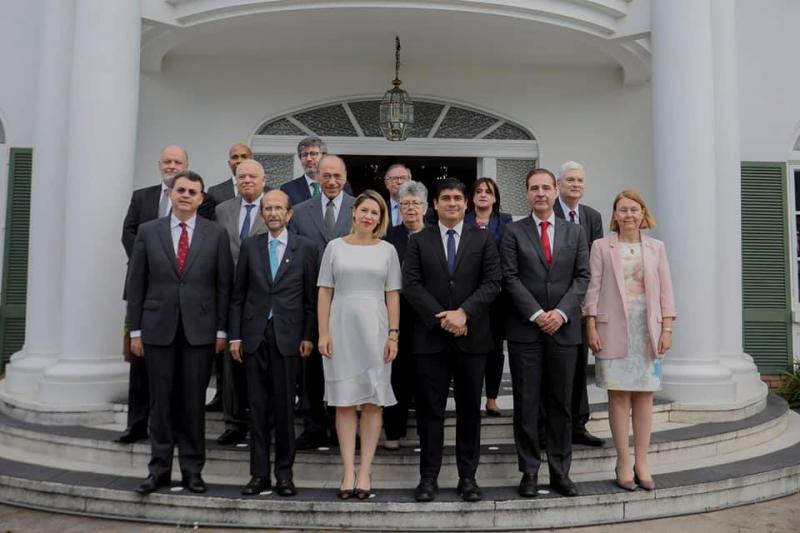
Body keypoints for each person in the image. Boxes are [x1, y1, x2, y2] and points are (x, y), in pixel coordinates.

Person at [126, 170, 233, 495]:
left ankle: (191, 471)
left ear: (201, 199)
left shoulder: (215, 234)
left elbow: (223, 286)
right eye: (181, 190)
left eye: (193, 192)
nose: (186, 195)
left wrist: (221, 329)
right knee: (160, 404)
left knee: (191, 405)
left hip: (200, 334)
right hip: (157, 331)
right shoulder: (148, 231)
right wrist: (135, 331)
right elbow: (136, 284)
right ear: (171, 194)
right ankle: (158, 470)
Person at [402, 178, 502, 503]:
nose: (452, 203)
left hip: (472, 339)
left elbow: (492, 282)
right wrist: (445, 318)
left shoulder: (484, 239)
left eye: (458, 198)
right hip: (431, 340)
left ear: (466, 203)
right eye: (446, 198)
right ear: (434, 204)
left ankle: (467, 478)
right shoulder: (419, 240)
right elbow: (412, 285)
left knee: (469, 410)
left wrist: (464, 314)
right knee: (431, 412)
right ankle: (428, 478)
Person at [501, 168, 590, 498]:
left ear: (555, 191)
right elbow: (509, 278)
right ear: (526, 194)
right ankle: (529, 471)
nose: (540, 193)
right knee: (526, 404)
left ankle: (560, 472)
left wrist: (561, 313)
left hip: (564, 331)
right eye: (534, 188)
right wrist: (538, 314)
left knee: (561, 405)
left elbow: (582, 277)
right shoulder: (513, 232)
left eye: (545, 187)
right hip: (526, 330)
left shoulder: (575, 232)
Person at [582, 189, 676, 492]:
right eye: (622, 210)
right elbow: (592, 289)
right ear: (615, 215)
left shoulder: (656, 248)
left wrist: (667, 328)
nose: (628, 215)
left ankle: (643, 462)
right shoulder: (601, 246)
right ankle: (623, 462)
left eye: (634, 209)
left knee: (645, 396)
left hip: (647, 330)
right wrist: (590, 324)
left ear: (642, 213)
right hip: (611, 331)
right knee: (619, 397)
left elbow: (666, 291)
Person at [229, 189, 319, 498]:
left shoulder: (305, 248)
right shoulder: (251, 247)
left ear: (289, 213)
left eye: (278, 208)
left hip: (289, 339)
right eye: (267, 208)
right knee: (257, 410)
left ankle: (284, 475)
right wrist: (236, 336)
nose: (273, 213)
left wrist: (308, 335)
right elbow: (238, 296)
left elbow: (310, 299)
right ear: (262, 213)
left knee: (283, 410)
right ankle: (258, 475)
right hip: (254, 338)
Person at [317, 189, 401, 499]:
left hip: (375, 328)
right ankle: (347, 471)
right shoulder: (334, 247)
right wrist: (323, 333)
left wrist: (394, 334)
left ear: (381, 219)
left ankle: (365, 471)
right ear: (354, 212)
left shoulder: (388, 250)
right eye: (364, 210)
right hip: (340, 327)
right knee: (343, 401)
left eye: (375, 213)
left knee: (372, 400)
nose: (369, 216)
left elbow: (392, 293)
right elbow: (325, 290)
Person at [117, 145, 198, 444]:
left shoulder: (199, 198)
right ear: (159, 164)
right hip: (145, 288)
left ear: (187, 165)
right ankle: (136, 425)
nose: (172, 165)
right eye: (167, 161)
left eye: (178, 161)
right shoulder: (143, 197)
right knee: (139, 362)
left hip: (180, 294)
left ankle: (170, 426)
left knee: (175, 366)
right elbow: (128, 232)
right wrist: (148, 262)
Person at [289, 154, 355, 449]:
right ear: (317, 176)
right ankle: (314, 424)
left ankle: (343, 425)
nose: (331, 181)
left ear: (344, 177)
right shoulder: (301, 212)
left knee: (347, 364)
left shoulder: (360, 208)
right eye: (325, 176)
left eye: (337, 176)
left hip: (350, 299)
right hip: (311, 300)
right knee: (313, 368)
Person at [213, 159, 270, 446]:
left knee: (263, 362)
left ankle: (263, 419)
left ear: (263, 179)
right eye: (241, 176)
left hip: (263, 297)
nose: (246, 180)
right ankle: (234, 421)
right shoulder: (222, 210)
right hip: (229, 295)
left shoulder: (273, 207)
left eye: (252, 176)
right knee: (230, 364)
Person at [553, 161, 605, 447]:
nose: (575, 185)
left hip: (582, 303)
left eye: (580, 181)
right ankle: (555, 425)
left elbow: (595, 262)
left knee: (578, 367)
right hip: (555, 302)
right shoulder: (552, 212)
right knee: (558, 370)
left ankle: (579, 424)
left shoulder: (591, 216)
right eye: (570, 180)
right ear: (559, 184)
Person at [205, 143, 254, 413]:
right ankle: (226, 402)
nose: (239, 162)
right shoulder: (218, 199)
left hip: (260, 289)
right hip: (227, 285)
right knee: (226, 347)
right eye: (234, 158)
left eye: (244, 158)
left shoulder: (273, 200)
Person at [382, 180, 429, 450]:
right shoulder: (389, 237)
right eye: (405, 203)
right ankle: (393, 432)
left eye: (416, 203)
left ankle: (426, 432)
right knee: (396, 375)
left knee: (426, 378)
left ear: (425, 206)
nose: (410, 208)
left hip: (427, 319)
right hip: (394, 317)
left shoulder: (434, 235)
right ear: (398, 207)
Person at [464, 177, 513, 418]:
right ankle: (469, 396)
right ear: (471, 197)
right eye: (479, 191)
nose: (483, 195)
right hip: (467, 295)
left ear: (495, 198)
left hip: (497, 297)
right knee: (468, 348)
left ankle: (492, 399)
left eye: (488, 192)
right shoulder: (462, 221)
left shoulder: (505, 222)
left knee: (494, 349)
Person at [280, 136, 352, 206]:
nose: (308, 159)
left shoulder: (342, 185)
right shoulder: (288, 189)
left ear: (324, 156)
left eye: (313, 154)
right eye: (304, 155)